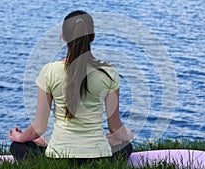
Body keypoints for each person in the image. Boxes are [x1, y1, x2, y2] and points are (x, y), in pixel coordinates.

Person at [8, 10, 134, 166]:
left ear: (63, 36)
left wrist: (20, 137)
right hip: (99, 159)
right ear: (92, 37)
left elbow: (39, 127)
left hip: (58, 157)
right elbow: (115, 127)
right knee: (125, 145)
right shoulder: (108, 72)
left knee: (18, 147)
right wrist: (128, 134)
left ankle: (51, 144)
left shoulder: (49, 71)